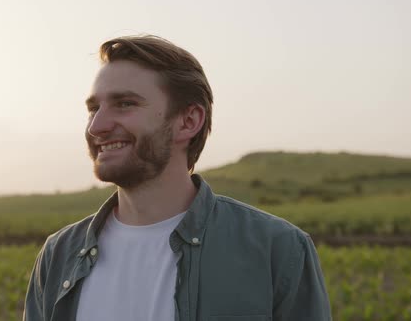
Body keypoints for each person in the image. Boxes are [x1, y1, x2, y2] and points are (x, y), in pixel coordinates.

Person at [23, 35, 331, 321]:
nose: (97, 126)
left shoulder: (277, 250)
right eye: (93, 109)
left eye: (125, 104)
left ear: (188, 121)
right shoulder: (58, 255)